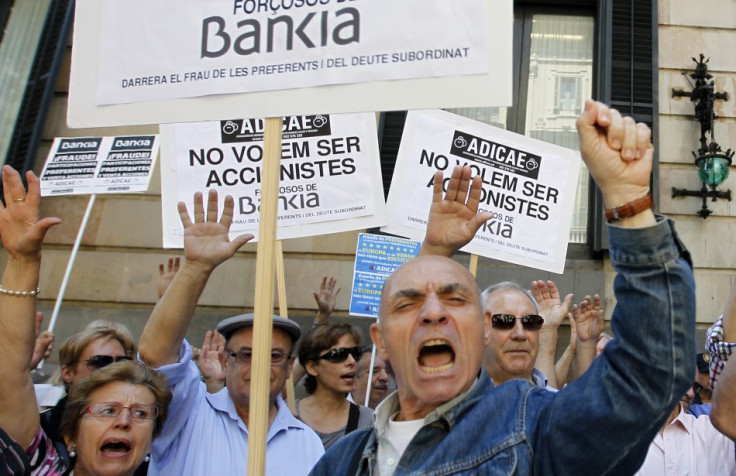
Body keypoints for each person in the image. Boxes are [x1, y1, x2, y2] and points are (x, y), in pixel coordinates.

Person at [308, 100, 695, 474]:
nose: (433, 312)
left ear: (480, 330)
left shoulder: (530, 428)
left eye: (455, 299)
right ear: (380, 340)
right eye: (408, 305)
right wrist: (435, 251)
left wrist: (629, 203)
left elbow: (649, 372)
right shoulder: (338, 462)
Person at [137, 189, 324, 475]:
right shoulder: (188, 413)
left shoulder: (308, 442)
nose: (260, 365)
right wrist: (196, 268)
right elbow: (155, 357)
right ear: (226, 361)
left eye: (274, 356)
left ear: (289, 368)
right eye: (247, 354)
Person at [0, 164, 171, 476]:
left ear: (152, 441)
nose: (124, 421)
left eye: (141, 413)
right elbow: (11, 374)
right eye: (107, 410)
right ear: (70, 435)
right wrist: (23, 262)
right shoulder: (44, 469)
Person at [296, 324, 373, 450]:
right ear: (312, 367)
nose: (352, 361)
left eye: (356, 353)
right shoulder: (286, 415)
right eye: (338, 354)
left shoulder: (369, 422)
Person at [633, 385, 735, 475]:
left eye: (693, 385)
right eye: (680, 382)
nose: (690, 394)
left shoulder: (716, 435)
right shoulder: (622, 438)